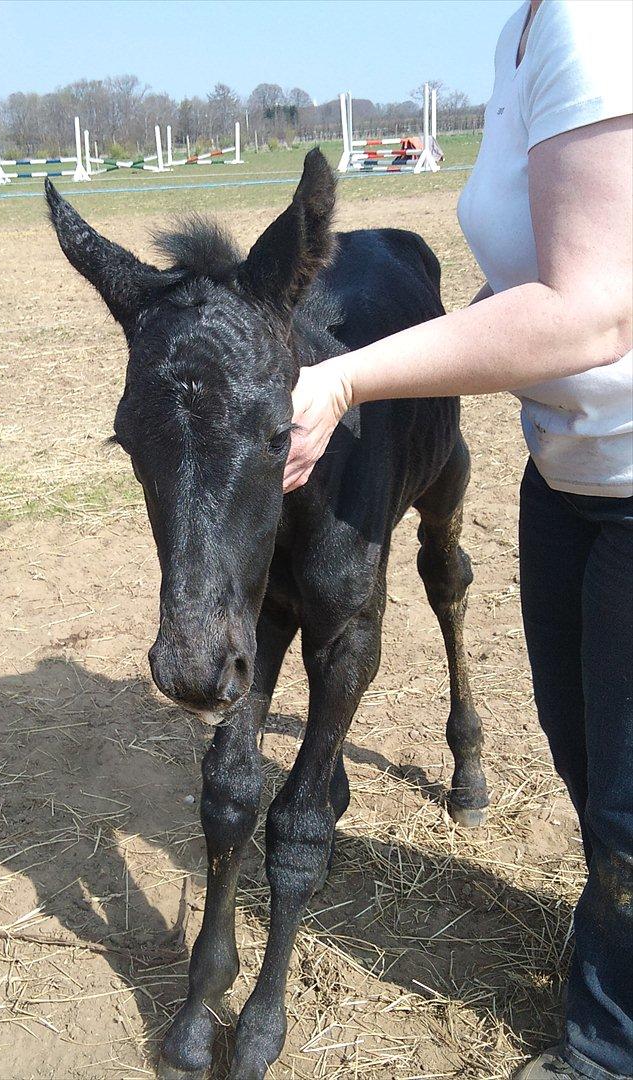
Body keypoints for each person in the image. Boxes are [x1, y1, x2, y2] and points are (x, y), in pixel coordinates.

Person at [284, 2, 632, 1078]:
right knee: (589, 764)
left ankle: (603, 1049)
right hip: (571, 469)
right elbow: (530, 276)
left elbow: (589, 310)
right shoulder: (523, 29)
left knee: (627, 801)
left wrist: (344, 377)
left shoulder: (593, 21)